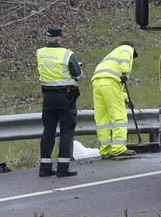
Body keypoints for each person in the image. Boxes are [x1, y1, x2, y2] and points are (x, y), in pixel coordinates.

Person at [37, 26, 82, 177]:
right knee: (66, 131)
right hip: (65, 97)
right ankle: (63, 167)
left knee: (48, 131)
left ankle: (45, 167)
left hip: (48, 97)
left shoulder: (40, 53)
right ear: (58, 39)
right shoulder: (67, 54)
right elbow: (77, 75)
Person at [92, 40, 139, 160]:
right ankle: (118, 149)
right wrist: (125, 72)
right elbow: (125, 56)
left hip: (97, 83)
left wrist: (127, 99)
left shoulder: (110, 56)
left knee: (103, 118)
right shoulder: (127, 48)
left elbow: (115, 91)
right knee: (119, 116)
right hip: (110, 82)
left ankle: (106, 150)